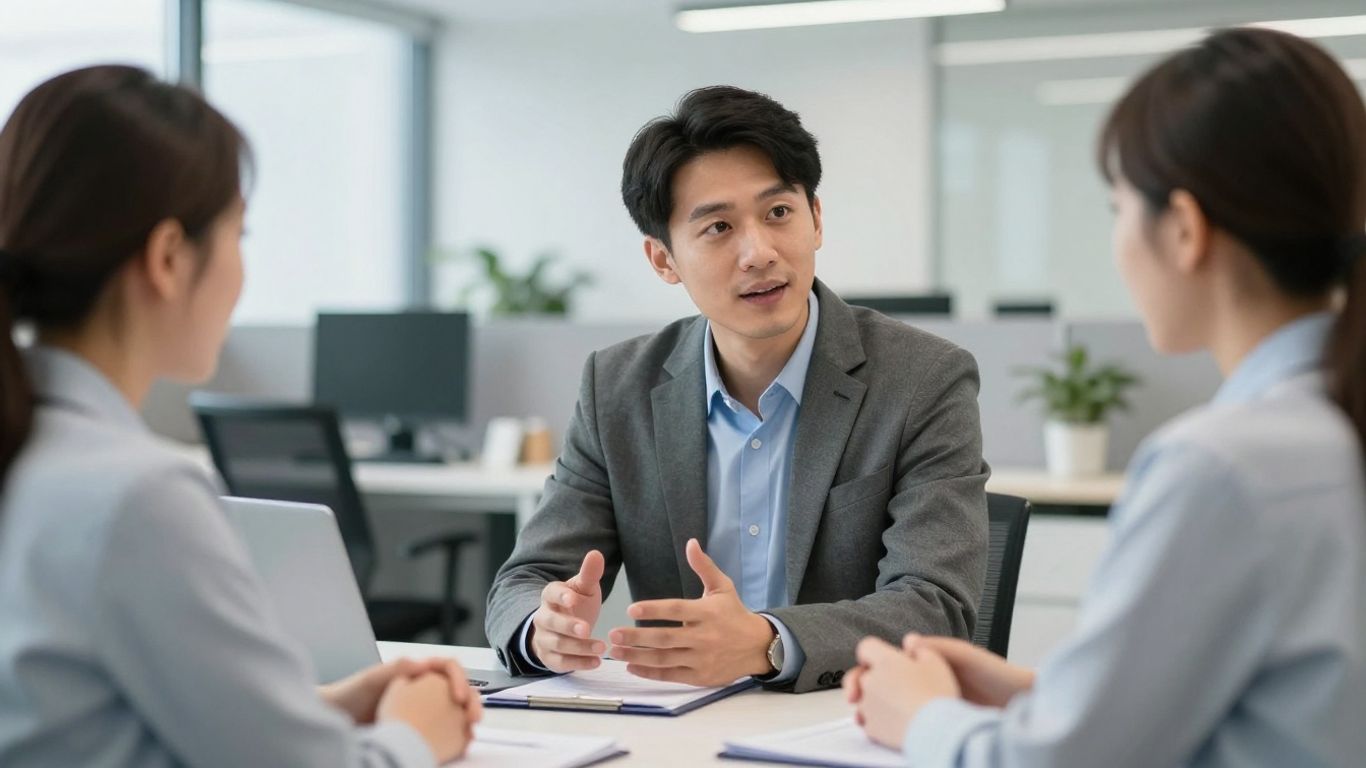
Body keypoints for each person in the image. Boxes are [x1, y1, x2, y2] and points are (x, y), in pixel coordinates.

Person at [845, 27, 1366, 766]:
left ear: (1184, 230)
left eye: (1118, 208)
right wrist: (1039, 694)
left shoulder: (1223, 467)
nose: (1118, 241)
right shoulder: (1326, 430)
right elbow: (1281, 712)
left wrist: (922, 717)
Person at [0, 65, 481, 766]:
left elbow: (78, 712)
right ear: (168, 258)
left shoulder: (32, 452)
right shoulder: (136, 496)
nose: (240, 271)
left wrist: (316, 709)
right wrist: (416, 735)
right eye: (238, 235)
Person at [486, 85, 989, 693]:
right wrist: (544, 626)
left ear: (816, 218)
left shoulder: (922, 380)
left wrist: (769, 641)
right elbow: (525, 579)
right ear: (663, 260)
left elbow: (936, 606)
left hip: (845, 720)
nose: (759, 252)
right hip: (678, 731)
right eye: (719, 227)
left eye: (778, 213)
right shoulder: (617, 387)